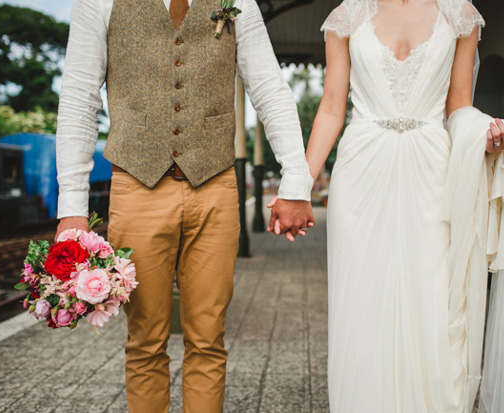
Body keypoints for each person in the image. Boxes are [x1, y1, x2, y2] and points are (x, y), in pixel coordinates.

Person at [54, 0, 315, 412]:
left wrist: (296, 181)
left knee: (209, 340)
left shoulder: (238, 1)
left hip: (215, 185)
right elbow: (78, 98)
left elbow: (268, 87)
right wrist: (72, 206)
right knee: (144, 342)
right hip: (136, 185)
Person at [300, 0, 504, 411]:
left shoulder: (460, 15)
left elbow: (458, 106)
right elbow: (330, 108)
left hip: (433, 173)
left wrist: (486, 133)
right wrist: (296, 186)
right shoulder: (347, 15)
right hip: (360, 175)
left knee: (434, 304)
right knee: (362, 313)